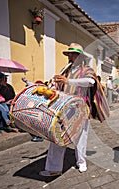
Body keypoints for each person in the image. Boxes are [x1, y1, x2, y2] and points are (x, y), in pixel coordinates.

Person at [39, 43, 100, 176]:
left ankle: (81, 162)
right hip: (63, 109)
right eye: (69, 54)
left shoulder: (87, 69)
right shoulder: (65, 70)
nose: (70, 57)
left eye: (72, 54)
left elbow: (91, 82)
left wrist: (68, 81)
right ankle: (54, 168)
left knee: (81, 137)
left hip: (80, 108)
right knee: (57, 137)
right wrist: (51, 86)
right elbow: (59, 88)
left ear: (79, 57)